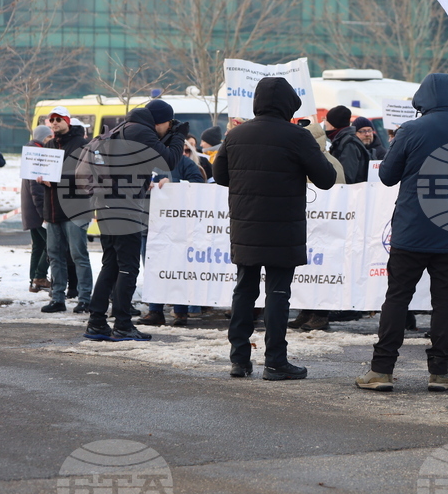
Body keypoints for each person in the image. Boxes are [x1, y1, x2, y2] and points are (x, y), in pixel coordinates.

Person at [357, 73, 448, 392]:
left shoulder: (410, 129)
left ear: (422, 98)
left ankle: (382, 370)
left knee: (398, 298)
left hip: (411, 230)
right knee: (446, 300)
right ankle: (440, 372)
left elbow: (387, 176)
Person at [214, 78, 337, 379]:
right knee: (278, 294)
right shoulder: (298, 136)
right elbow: (326, 178)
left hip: (246, 226)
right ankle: (275, 362)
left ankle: (239, 360)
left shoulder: (235, 135)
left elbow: (219, 175)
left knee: (244, 291)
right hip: (284, 229)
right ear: (288, 105)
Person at [84, 100, 187, 342]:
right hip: (125, 208)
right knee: (128, 267)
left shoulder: (122, 129)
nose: (169, 128)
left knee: (110, 264)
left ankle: (97, 322)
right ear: (160, 121)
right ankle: (122, 325)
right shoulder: (142, 132)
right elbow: (168, 161)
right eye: (169, 124)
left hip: (106, 204)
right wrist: (179, 136)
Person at [138, 152, 207, 327]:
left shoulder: (184, 163)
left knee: (179, 269)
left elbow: (199, 185)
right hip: (150, 225)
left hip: (179, 229)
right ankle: (155, 311)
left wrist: (175, 186)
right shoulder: (145, 161)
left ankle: (180, 312)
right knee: (153, 269)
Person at [288, 121, 346, 332]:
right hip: (314, 225)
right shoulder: (324, 160)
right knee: (309, 270)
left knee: (322, 271)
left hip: (324, 226)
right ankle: (307, 310)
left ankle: (321, 314)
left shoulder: (323, 162)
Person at [39, 108, 93, 314]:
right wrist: (40, 177)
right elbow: (42, 172)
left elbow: (87, 176)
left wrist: (56, 180)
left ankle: (85, 298)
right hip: (52, 210)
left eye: (58, 120)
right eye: (51, 120)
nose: (54, 123)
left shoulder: (82, 144)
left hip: (76, 209)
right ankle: (58, 298)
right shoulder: (49, 145)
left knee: (78, 255)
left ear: (67, 122)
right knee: (55, 256)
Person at [22, 126, 52, 294]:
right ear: (42, 138)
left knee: (39, 245)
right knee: (51, 244)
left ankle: (34, 281)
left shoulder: (31, 151)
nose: (52, 140)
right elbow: (36, 187)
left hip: (30, 208)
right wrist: (43, 213)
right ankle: (39, 277)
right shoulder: (37, 154)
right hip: (37, 210)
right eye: (49, 138)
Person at [325, 106, 369, 184]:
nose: (325, 124)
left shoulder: (349, 144)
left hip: (351, 193)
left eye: (326, 121)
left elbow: (347, 177)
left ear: (332, 125)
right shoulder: (342, 140)